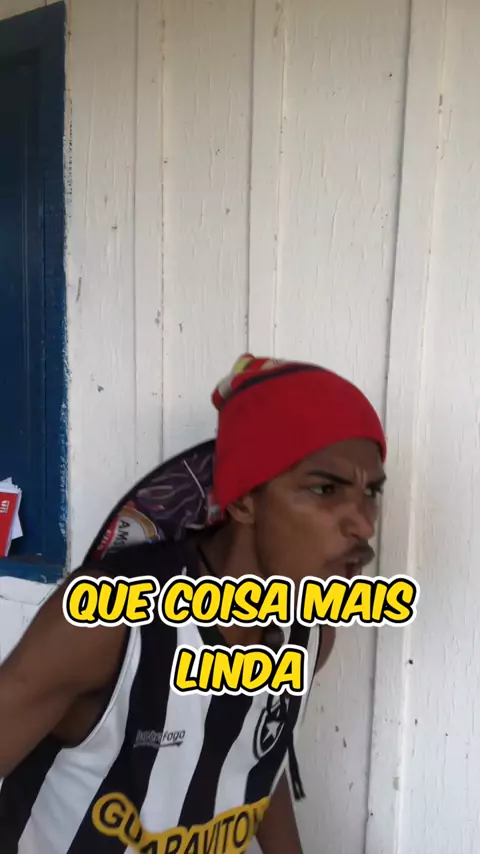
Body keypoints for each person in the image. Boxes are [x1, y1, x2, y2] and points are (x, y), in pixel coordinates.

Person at [0, 354, 387, 854]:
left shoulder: (311, 631)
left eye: (371, 492)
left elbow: (254, 761)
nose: (364, 523)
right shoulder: (109, 623)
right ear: (244, 500)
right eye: (325, 488)